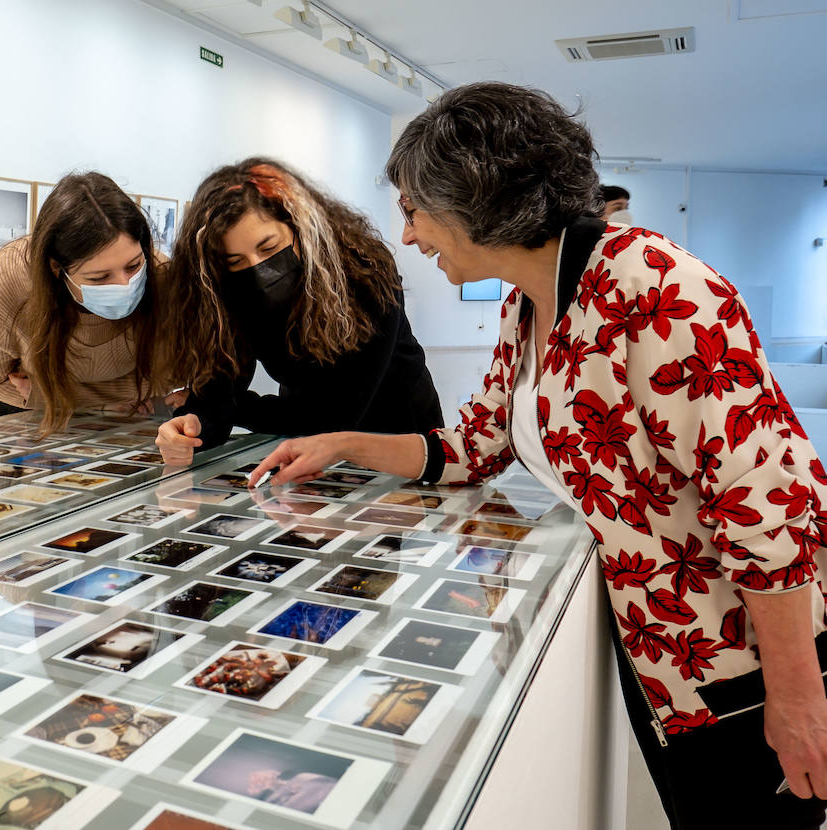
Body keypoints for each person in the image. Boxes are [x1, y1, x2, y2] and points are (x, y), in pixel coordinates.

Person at [249, 82, 827, 830]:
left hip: (740, 657)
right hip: (661, 644)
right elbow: (476, 445)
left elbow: (768, 505)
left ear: (472, 202)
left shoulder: (652, 283)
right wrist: (341, 445)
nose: (410, 236)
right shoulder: (528, 298)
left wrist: (798, 693)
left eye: (414, 210)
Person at [155, 157, 443, 465]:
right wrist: (191, 426)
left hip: (397, 437)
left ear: (297, 228)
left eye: (268, 248)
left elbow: (331, 420)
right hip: (306, 446)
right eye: (235, 262)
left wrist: (234, 407)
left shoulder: (364, 271)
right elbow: (218, 392)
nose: (258, 269)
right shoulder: (230, 291)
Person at [0, 171, 178, 432]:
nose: (123, 285)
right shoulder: (11, 277)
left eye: (133, 266)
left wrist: (43, 391)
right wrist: (116, 398)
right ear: (56, 268)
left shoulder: (161, 274)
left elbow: (174, 373)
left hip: (130, 415)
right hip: (29, 414)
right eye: (99, 277)